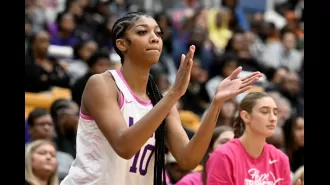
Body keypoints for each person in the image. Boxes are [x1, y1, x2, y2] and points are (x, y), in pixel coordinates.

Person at [60, 12, 262, 185]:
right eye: (142, 32)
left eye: (158, 32)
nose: (154, 38)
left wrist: (216, 103)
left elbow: (188, 159)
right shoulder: (103, 84)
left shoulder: (160, 101)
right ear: (122, 44)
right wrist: (173, 94)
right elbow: (125, 146)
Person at [206, 92, 299, 185]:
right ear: (246, 116)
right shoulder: (223, 156)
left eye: (275, 113)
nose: (273, 118)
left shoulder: (281, 159)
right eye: (265, 112)